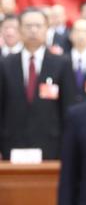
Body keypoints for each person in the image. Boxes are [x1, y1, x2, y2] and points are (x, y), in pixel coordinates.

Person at [0, 8, 76, 159]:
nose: (33, 30)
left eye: (38, 26)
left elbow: (68, 108)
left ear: (47, 29)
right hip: (12, 144)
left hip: (51, 145)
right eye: (28, 26)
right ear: (20, 29)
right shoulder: (4, 64)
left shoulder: (62, 63)